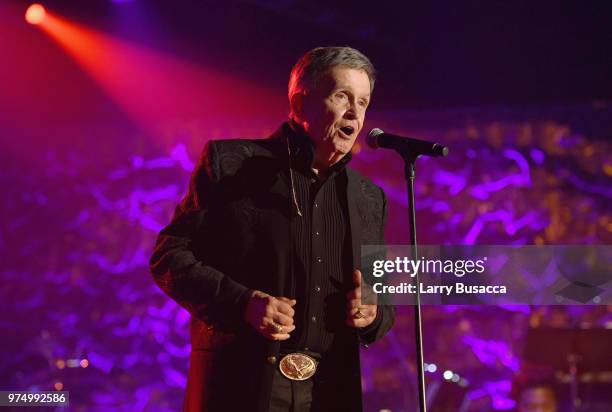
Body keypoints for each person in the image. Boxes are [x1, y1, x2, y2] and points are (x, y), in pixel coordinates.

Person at [150, 46, 395, 412]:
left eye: (363, 102)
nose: (354, 113)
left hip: (328, 391)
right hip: (241, 386)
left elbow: (381, 297)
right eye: (342, 96)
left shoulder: (369, 197)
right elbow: (169, 257)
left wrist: (372, 312)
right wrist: (243, 303)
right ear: (299, 106)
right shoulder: (231, 164)